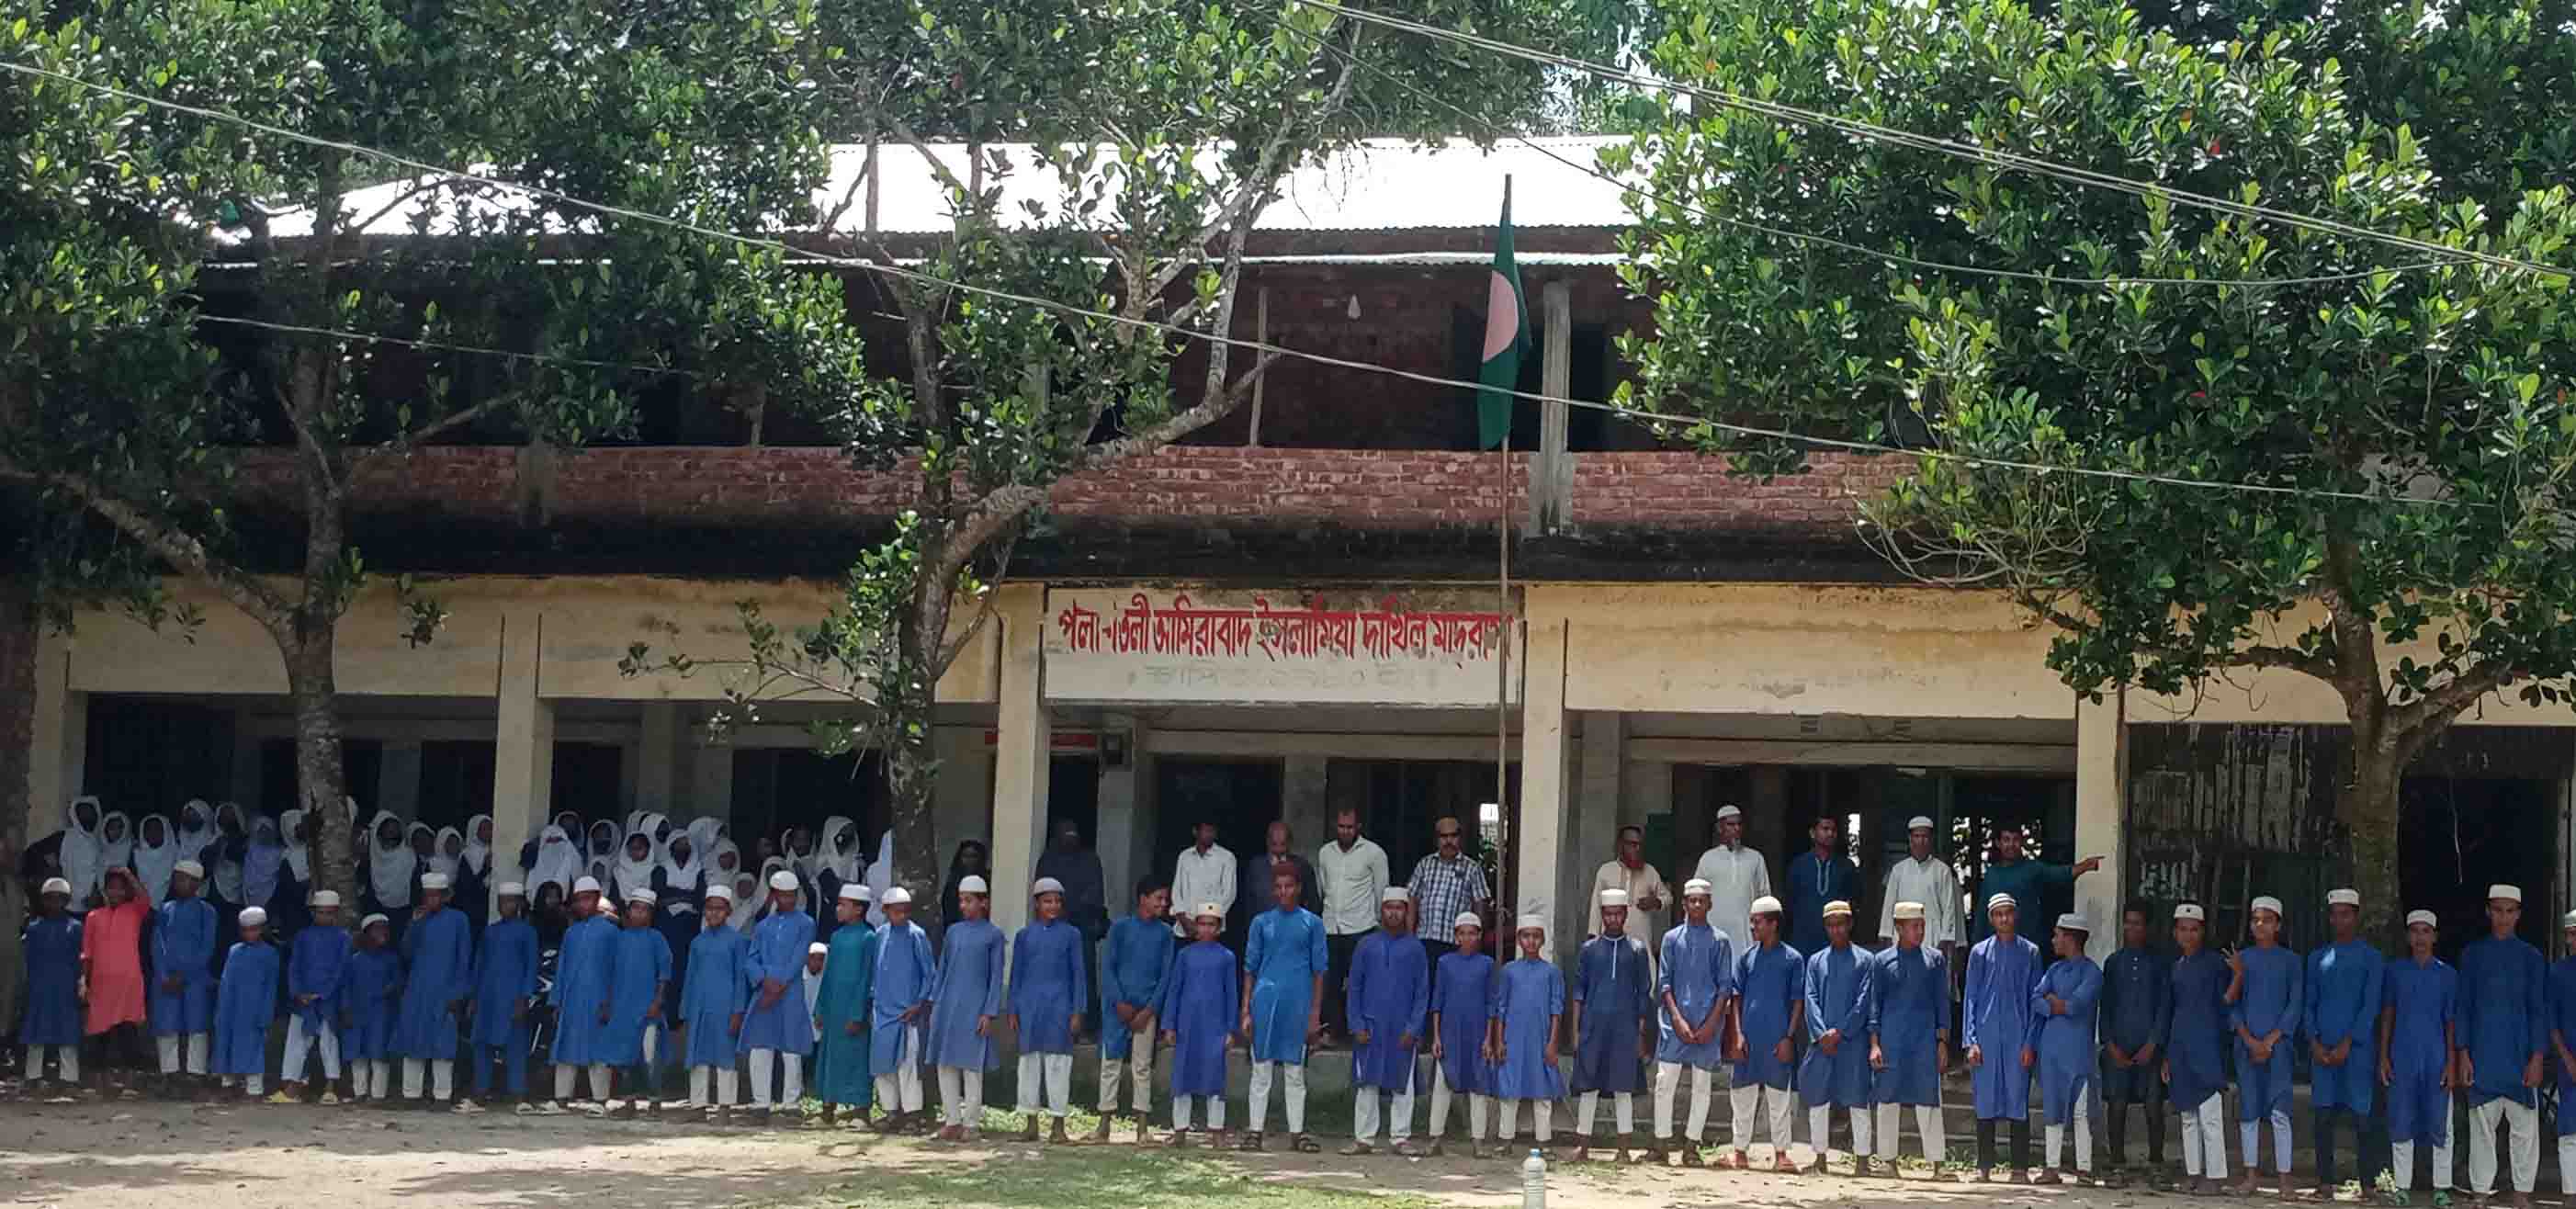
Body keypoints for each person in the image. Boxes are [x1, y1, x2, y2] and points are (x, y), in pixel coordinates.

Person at [2459, 883, 2547, 1209]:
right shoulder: (2473, 955)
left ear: (2519, 915)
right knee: (2482, 1128)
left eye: (2510, 911)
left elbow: (2539, 1009)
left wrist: (2537, 1056)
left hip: (2520, 1055)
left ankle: (2522, 1193)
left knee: (2524, 1130)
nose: (2504, 917)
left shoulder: (2531, 957)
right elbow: (2463, 1008)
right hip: (2482, 1055)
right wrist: (2463, 1053)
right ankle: (2481, 1192)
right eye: (2498, 910)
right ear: (2488, 912)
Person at [1241, 863, 1328, 1153]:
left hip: (1298, 1004)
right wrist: (1246, 1010)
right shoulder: (1260, 923)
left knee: (1294, 1071)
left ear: (1299, 888)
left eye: (1289, 886)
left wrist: (1315, 1013)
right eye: (1278, 887)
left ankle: (1297, 1133)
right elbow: (1250, 969)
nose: (1283, 892)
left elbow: (1319, 972)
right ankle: (1254, 1131)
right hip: (1264, 1003)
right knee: (1261, 1070)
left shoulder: (1312, 924)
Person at [2308, 887, 2386, 1194]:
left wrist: (2349, 1042)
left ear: (2356, 917)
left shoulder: (2372, 958)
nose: (2340, 920)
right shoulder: (2317, 958)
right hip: (2322, 1051)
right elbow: (2309, 1004)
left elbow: (2371, 1005)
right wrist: (2313, 1042)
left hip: (2358, 1052)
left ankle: (2367, 1183)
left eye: (2346, 914)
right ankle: (2324, 1182)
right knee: (2323, 1116)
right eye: (2335, 915)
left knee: (2363, 1119)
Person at [1342, 886, 1429, 1157]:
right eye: (1389, 907)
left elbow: (1422, 992)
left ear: (1406, 912)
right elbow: (1354, 986)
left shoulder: (1415, 948)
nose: (1394, 912)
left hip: (1402, 1028)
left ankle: (1400, 1138)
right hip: (1370, 1026)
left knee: (1403, 1084)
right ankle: (1364, 1138)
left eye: (1399, 908)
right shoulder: (1366, 945)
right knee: (1367, 1083)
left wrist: (1413, 1028)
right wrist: (1356, 1024)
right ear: (1381, 911)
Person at [1870, 900, 1952, 1181]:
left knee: (1929, 1100)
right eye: (1914, 927)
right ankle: (1888, 1162)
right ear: (1899, 928)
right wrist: (1874, 1044)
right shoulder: (1881, 962)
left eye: (1922, 926)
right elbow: (1874, 1006)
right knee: (1887, 1100)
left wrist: (1942, 1041)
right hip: (1891, 1041)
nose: (1920, 932)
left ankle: (1938, 1164)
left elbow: (1943, 1002)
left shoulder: (1935, 960)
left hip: (1923, 1042)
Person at [1570, 887, 1653, 1164]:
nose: (1613, 919)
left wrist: (1641, 1034)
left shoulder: (1638, 950)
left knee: (1623, 1086)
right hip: (1593, 1026)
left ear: (1626, 914)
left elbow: (1644, 993)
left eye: (1618, 914)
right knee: (1589, 1085)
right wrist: (1576, 1030)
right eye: (1608, 914)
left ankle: (1624, 1149)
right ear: (1602, 915)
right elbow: (1579, 991)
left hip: (1625, 1029)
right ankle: (1582, 1146)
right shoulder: (1589, 949)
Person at [1654, 876, 1732, 1167]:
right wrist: (1676, 1019)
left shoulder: (1720, 941)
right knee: (1664, 1082)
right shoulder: (1672, 939)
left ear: (1709, 904)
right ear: (1684, 904)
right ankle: (1661, 1143)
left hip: (1707, 1024)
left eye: (1702, 900)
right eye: (1692, 900)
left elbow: (1725, 987)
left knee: (1702, 1085)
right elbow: (1664, 983)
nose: (1697, 904)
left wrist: (1712, 1023)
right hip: (1675, 1023)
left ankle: (1691, 1145)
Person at [2231, 895, 2303, 1198]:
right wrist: (2249, 1040)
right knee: (2248, 1111)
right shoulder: (2241, 960)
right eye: (2255, 919)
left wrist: (2271, 1040)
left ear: (2278, 925)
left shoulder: (2291, 961)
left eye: (2267, 920)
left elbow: (2294, 1005)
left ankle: (2285, 1179)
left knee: (2280, 1112)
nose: (2260, 925)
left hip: (2279, 1048)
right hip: (2246, 1047)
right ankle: (2251, 1177)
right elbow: (2231, 1005)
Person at [2385, 907, 2458, 1206]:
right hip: (2402, 1056)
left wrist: (2452, 1062)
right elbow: (2388, 1014)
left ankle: (2442, 1187)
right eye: (2414, 931)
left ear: (2435, 936)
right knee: (2401, 1118)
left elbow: (2451, 1022)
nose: (2420, 937)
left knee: (2441, 1122)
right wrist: (2383, 1056)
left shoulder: (2447, 975)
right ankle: (2401, 1186)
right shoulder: (2395, 972)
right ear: (2407, 936)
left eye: (2425, 931)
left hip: (2436, 1057)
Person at [1966, 892, 2041, 1182]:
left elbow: (2036, 1001)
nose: (2004, 919)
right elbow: (1971, 997)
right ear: (1991, 919)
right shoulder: (1979, 953)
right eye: (1998, 914)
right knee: (1985, 1101)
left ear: (2016, 915)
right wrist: (1970, 1040)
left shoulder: (2030, 952)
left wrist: (2029, 1043)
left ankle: (2019, 1169)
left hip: (2017, 1037)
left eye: (2008, 913)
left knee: (2017, 1101)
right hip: (1985, 1037)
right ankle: (1984, 1167)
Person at [1009, 876, 1090, 1143]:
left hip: (1060, 1006)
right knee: (1029, 1064)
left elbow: (1079, 974)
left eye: (1056, 901)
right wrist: (1012, 1009)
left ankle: (1058, 1125)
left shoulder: (1072, 935)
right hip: (1029, 1006)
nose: (1053, 906)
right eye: (1047, 901)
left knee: (1058, 1064)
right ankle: (1030, 1123)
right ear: (1036, 904)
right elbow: (1016, 975)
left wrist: (1078, 1010)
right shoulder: (1024, 936)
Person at [2094, 906, 2170, 1187]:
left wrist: (2154, 1043)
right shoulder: (2114, 962)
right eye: (2127, 923)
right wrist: (2109, 1044)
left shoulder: (2159, 963)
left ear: (2147, 928)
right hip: (2119, 1047)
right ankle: (2116, 1164)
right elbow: (2107, 1006)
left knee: (2153, 1106)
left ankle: (2156, 1163)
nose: (2131, 929)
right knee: (2117, 1104)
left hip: (2149, 1049)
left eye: (2137, 924)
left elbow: (2164, 1006)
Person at [1096, 877, 1175, 1142]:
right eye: (1158, 898)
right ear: (1143, 898)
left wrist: (1149, 1009)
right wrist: (1119, 1002)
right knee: (1111, 1063)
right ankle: (1104, 1124)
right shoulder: (1120, 928)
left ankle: (1142, 1126)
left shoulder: (1166, 934)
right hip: (1116, 1007)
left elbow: (1166, 976)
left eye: (1165, 899)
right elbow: (1107, 967)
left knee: (1142, 1066)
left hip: (1146, 1010)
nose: (1163, 904)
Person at [2167, 901, 2237, 1195]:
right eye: (2183, 929)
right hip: (2180, 1046)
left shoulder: (2214, 964)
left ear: (2202, 932)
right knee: (2187, 1115)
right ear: (2175, 932)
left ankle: (2216, 1176)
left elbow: (2227, 1002)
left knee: (2210, 1114)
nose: (2188, 935)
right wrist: (2168, 1056)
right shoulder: (2175, 968)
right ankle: (2193, 1173)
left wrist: (2240, 974)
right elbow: (2174, 1011)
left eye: (2194, 930)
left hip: (2207, 1046)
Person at [1730, 894, 1802, 1172]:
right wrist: (1737, 1035)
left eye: (1757, 922)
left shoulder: (1792, 959)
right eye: (1751, 922)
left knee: (1779, 1098)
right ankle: (1739, 1152)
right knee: (1742, 1096)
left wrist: (1788, 1037)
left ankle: (1781, 1155)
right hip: (1749, 1038)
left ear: (1773, 924)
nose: (1753, 928)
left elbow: (1798, 1001)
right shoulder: (1746, 958)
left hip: (1777, 1039)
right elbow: (1736, 998)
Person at [1801, 898, 1874, 1176]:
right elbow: (1811, 999)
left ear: (1850, 924)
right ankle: (1820, 1157)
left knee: (1857, 1098)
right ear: (1825, 928)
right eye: (1831, 926)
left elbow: (1864, 1001)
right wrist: (1822, 1034)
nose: (1836, 930)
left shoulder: (1866, 961)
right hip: (1823, 1044)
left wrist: (1841, 1031)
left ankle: (1863, 1160)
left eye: (1841, 924)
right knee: (1818, 1099)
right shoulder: (1816, 961)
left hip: (1852, 1041)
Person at [929, 873, 1004, 1139]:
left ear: (984, 903)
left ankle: (971, 1123)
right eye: (961, 900)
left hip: (975, 1009)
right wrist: (936, 1002)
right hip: (948, 1006)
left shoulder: (994, 935)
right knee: (945, 1063)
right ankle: (952, 1120)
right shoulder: (953, 932)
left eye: (969, 900)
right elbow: (943, 969)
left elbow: (996, 977)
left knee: (972, 1067)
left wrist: (989, 1012)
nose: (964, 906)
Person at [1159, 901, 1239, 1146]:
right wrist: (1169, 1025)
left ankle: (1216, 1131)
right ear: (1196, 926)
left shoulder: (1227, 957)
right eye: (1202, 923)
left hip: (1214, 1026)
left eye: (1211, 924)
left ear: (1219, 927)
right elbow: (1174, 990)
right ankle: (1180, 1130)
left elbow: (1231, 994)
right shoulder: (1184, 955)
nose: (1206, 929)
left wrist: (1230, 1029)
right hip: (1188, 1024)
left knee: (1214, 1077)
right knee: (1183, 1075)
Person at [742, 867, 819, 1121]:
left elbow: (799, 958)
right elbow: (751, 958)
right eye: (783, 895)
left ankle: (791, 1103)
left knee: (791, 1048)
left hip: (790, 991)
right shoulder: (763, 926)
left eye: (792, 895)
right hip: (765, 990)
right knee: (760, 1047)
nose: (788, 899)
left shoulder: (806, 923)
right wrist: (763, 981)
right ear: (773, 895)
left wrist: (779, 984)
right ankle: (760, 1102)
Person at [395, 870, 473, 1107]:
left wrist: (458, 993)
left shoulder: (459, 920)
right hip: (418, 990)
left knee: (443, 1044)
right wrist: (414, 924)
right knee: (413, 1041)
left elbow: (464, 959)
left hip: (445, 991)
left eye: (436, 896)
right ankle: (411, 1095)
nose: (432, 901)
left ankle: (442, 1096)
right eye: (428, 896)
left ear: (446, 896)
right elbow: (406, 953)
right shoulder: (419, 920)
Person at [2032, 914, 2102, 1184]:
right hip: (2051, 1049)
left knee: (2081, 1110)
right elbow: (2035, 998)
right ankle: (2052, 1167)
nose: (2054, 940)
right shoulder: (2054, 970)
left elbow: (2075, 1006)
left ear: (2070, 937)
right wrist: (2056, 1004)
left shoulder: (2092, 973)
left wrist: (2054, 1003)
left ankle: (2084, 1168)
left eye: (2057, 934)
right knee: (2052, 1106)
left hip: (2078, 1051)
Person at [673, 883, 751, 1118]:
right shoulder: (698, 942)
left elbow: (741, 979)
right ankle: (698, 1106)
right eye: (709, 908)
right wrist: (685, 1011)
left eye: (719, 908)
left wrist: (738, 1011)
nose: (714, 913)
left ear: (728, 911)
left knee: (725, 1056)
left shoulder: (737, 941)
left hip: (725, 1008)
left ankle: (725, 1107)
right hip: (699, 1008)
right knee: (698, 1055)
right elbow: (690, 978)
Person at [543, 876, 618, 1113]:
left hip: (599, 1000)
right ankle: (561, 1099)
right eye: (579, 900)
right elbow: (563, 968)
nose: (583, 905)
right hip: (572, 1000)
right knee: (565, 1049)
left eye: (587, 899)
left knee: (598, 1051)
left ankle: (600, 1100)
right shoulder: (571, 933)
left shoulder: (611, 932)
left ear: (597, 900)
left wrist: (610, 1002)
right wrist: (556, 1002)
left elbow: (616, 969)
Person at [1495, 914, 1567, 1151]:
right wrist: (1499, 1040)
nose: (1531, 941)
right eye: (1526, 936)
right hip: (1513, 1039)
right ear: (1518, 940)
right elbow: (1501, 1009)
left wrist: (1552, 1042)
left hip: (1541, 1038)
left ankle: (1543, 1142)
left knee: (1542, 1091)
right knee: (1510, 1090)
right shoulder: (1509, 971)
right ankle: (1505, 1140)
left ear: (1543, 940)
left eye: (1536, 936)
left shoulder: (1552, 972)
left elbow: (1557, 1009)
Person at [1427, 911, 1497, 1158]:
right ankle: (1435, 1138)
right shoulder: (1445, 963)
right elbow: (1438, 1001)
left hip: (1477, 1033)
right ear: (1456, 936)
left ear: (1479, 936)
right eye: (1462, 933)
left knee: (1478, 1086)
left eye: (1472, 933)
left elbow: (1491, 1004)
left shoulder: (1487, 964)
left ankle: (1478, 1141)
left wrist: (1489, 1039)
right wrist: (1436, 1037)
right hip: (1449, 1032)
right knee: (1442, 1084)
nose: (1467, 938)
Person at [1318, 808, 1390, 1045]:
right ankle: (1331, 1030)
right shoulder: (1325, 853)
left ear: (1358, 827)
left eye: (1350, 827)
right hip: (1331, 927)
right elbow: (1322, 888)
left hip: (1362, 927)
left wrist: (1380, 925)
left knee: (1360, 982)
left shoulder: (1374, 853)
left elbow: (1382, 891)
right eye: (1341, 827)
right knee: (1330, 981)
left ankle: (1360, 1030)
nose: (1345, 831)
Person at [463, 882, 537, 1112]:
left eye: (510, 900)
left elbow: (531, 966)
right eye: (502, 900)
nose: (505, 905)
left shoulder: (527, 931)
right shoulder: (489, 931)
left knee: (515, 1045)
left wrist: (524, 997)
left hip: (512, 997)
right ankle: (480, 1093)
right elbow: (479, 965)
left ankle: (518, 1095)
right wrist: (474, 996)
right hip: (487, 997)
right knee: (482, 1043)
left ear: (519, 904)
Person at [81, 865, 153, 1092]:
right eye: (111, 888)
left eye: (120, 889)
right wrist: (84, 980)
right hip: (101, 984)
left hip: (128, 982)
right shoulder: (93, 917)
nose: (115, 893)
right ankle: (100, 1085)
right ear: (104, 891)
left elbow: (145, 898)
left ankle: (130, 1083)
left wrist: (129, 875)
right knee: (99, 1034)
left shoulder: (134, 911)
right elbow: (87, 952)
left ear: (126, 892)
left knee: (127, 1032)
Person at [1971, 825, 2104, 946]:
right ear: (1998, 843)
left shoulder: (2032, 868)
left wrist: (2086, 865)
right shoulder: (1991, 874)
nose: (2011, 844)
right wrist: (1976, 944)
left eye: (2015, 839)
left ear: (2022, 842)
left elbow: (2060, 874)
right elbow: (1982, 913)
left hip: (2027, 944)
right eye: (2006, 840)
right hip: (1996, 947)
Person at [601, 888, 672, 1115]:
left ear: (651, 914)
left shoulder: (657, 938)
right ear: (628, 911)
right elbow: (610, 974)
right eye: (635, 908)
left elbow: (664, 974)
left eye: (644, 910)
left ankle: (655, 1102)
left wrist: (657, 1001)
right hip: (622, 1007)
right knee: (623, 1057)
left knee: (650, 1056)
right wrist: (608, 1003)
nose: (639, 913)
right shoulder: (619, 939)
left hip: (647, 1008)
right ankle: (629, 1103)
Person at [871, 887, 936, 1132]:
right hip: (882, 1010)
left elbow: (929, 973)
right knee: (882, 1064)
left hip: (908, 1011)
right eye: (897, 911)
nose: (902, 916)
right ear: (886, 910)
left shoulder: (916, 935)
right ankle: (890, 1112)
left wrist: (918, 1003)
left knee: (907, 1064)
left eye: (905, 911)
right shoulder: (880, 935)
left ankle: (911, 1115)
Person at [809, 884, 876, 1127]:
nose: (838, 909)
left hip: (853, 1009)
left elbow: (866, 978)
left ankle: (860, 1110)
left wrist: (858, 1013)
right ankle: (828, 1108)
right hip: (833, 1007)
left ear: (859, 909)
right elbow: (827, 977)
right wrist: (820, 1008)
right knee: (830, 1057)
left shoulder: (869, 937)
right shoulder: (836, 937)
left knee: (857, 1058)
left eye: (843, 904)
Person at [151, 859, 218, 1094]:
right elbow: (157, 944)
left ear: (197, 883)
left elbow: (207, 947)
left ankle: (195, 1074)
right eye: (176, 877)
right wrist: (162, 975)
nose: (178, 882)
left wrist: (185, 975)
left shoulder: (207, 911)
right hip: (166, 979)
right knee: (167, 1025)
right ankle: (168, 1074)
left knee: (196, 1025)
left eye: (183, 878)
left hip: (195, 979)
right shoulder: (165, 909)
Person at [277, 889, 350, 1103]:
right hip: (303, 999)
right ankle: (291, 1089)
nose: (324, 917)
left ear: (335, 913)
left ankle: (331, 1087)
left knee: (330, 1042)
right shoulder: (302, 936)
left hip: (328, 999)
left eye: (328, 913)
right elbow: (294, 967)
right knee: (296, 1042)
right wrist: (298, 993)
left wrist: (322, 994)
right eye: (320, 912)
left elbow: (341, 970)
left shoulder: (342, 937)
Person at [1034, 820, 1110, 999]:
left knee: (1084, 975)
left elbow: (1095, 893)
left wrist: (1075, 910)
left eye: (1074, 833)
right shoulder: (1048, 859)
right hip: (1053, 925)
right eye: (1066, 833)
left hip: (1083, 927)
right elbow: (1041, 893)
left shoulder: (1090, 859)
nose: (1070, 837)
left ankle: (1087, 1019)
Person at [211, 905, 278, 1101]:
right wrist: (221, 1010)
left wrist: (265, 1014)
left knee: (253, 1047)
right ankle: (227, 1085)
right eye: (246, 929)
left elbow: (270, 988)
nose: (250, 933)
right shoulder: (234, 951)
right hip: (229, 1009)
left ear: (263, 929)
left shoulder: (270, 954)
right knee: (226, 1045)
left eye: (254, 929)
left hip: (254, 1009)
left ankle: (254, 1089)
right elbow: (225, 982)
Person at [22, 878, 84, 1090]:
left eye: (59, 899)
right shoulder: (33, 928)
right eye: (50, 898)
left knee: (68, 1032)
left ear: (66, 901)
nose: (54, 903)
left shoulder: (75, 927)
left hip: (66, 987)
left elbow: (81, 959)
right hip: (40, 987)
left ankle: (69, 1077)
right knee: (36, 1032)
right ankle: (32, 1076)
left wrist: (81, 983)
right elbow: (28, 960)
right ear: (43, 901)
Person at [1408, 816, 1490, 974]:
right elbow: (1413, 900)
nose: (1448, 841)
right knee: (1426, 989)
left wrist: (1476, 941)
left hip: (1456, 943)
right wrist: (1410, 936)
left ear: (1460, 838)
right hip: (1425, 940)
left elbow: (1480, 905)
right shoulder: (1425, 864)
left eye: (1453, 836)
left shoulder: (1472, 868)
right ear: (1437, 839)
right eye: (1444, 836)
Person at [1880, 817, 1963, 965]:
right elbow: (1888, 907)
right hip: (1902, 937)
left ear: (1931, 839)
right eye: (1917, 836)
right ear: (1910, 839)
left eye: (1925, 836)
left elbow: (1949, 909)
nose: (1921, 841)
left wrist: (1944, 941)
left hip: (1933, 937)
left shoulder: (1942, 870)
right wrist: (1886, 935)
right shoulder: (1898, 870)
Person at [1691, 806, 1770, 958]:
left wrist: (1763, 931)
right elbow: (1696, 897)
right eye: (1731, 825)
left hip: (1746, 934)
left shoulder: (1756, 858)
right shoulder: (1708, 859)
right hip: (1714, 933)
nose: (1736, 829)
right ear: (1719, 828)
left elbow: (1764, 898)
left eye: (1739, 824)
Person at [341, 914, 402, 1103]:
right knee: (358, 1054)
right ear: (366, 933)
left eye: (385, 928)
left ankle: (378, 1095)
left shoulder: (391, 958)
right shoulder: (354, 960)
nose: (382, 932)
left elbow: (399, 980)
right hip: (358, 1011)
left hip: (381, 1012)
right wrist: (346, 1010)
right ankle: (359, 1093)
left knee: (379, 1053)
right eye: (377, 929)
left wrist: (390, 989)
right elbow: (346, 987)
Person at [1588, 825, 1668, 959]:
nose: (1637, 849)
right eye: (1632, 844)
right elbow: (1596, 905)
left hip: (1641, 942)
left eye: (1639, 845)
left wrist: (1657, 902)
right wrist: (1593, 936)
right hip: (1610, 942)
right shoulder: (1606, 871)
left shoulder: (1649, 871)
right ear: (1621, 846)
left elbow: (1667, 897)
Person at [1784, 815, 1857, 957]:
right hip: (1802, 940)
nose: (1830, 833)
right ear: (1812, 833)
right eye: (1825, 829)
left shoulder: (1846, 866)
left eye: (1833, 830)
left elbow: (1853, 901)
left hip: (1835, 938)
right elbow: (1789, 904)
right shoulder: (1798, 865)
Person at [1237, 821, 1320, 937]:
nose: (1279, 850)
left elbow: (1313, 904)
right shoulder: (1255, 867)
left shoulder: (1303, 867)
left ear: (1290, 843)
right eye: (1274, 845)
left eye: (1283, 844)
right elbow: (1249, 906)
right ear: (1267, 842)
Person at [1171, 821, 1237, 940]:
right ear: (1195, 832)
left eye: (1213, 831)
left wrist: (1206, 923)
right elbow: (1176, 891)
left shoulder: (1226, 857)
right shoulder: (1185, 856)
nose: (1210, 835)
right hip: (1185, 929)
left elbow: (1228, 895)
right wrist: (1185, 921)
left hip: (1212, 929)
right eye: (1207, 831)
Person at [57, 797, 107, 911]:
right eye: (83, 812)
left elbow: (99, 872)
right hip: (66, 904)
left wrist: (98, 893)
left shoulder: (99, 841)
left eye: (90, 812)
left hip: (91, 905)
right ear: (76, 815)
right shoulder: (66, 837)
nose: (87, 816)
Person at [939, 840, 989, 932]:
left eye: (973, 856)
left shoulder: (987, 881)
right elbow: (948, 909)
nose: (969, 860)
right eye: (965, 856)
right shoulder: (953, 882)